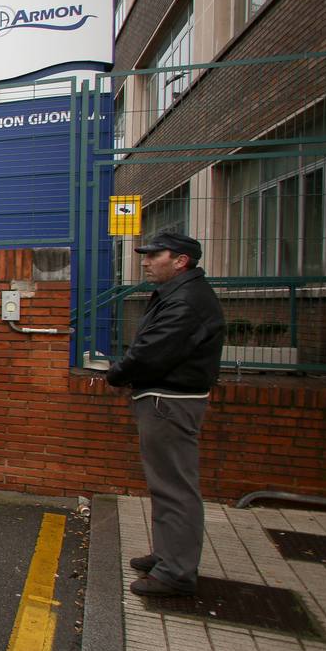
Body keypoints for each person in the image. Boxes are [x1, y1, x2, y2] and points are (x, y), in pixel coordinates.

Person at [105, 231, 224, 598]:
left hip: (170, 400)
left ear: (180, 260)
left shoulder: (187, 300)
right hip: (165, 397)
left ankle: (176, 571)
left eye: (154, 255)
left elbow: (153, 350)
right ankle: (167, 554)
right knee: (165, 484)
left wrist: (117, 373)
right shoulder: (179, 294)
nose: (145, 261)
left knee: (174, 487)